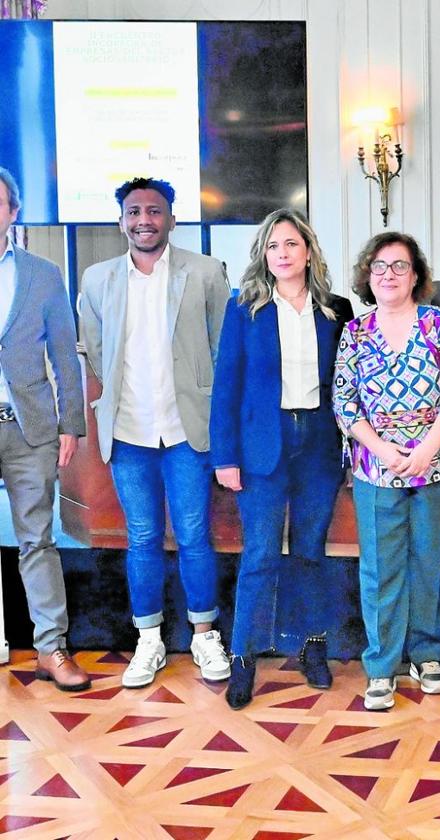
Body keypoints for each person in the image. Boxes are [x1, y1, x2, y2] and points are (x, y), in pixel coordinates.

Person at [78, 177, 231, 689]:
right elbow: (96, 352)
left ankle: (205, 634)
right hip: (128, 433)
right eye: (134, 211)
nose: (144, 219)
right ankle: (150, 639)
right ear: (122, 219)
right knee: (141, 537)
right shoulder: (98, 279)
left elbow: (219, 348)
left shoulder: (206, 272)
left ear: (171, 217)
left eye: (154, 211)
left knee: (193, 536)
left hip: (187, 431)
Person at [209, 209, 354, 709]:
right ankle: (243, 657)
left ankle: (314, 647)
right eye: (273, 246)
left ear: (308, 250)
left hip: (317, 445)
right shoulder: (244, 308)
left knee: (310, 552)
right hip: (260, 450)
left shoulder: (336, 309)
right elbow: (225, 385)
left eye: (291, 244)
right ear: (263, 256)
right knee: (261, 554)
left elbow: (349, 385)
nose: (283, 254)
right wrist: (224, 456)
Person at [333, 232, 440, 711]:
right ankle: (381, 667)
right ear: (367, 276)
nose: (388, 275)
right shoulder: (356, 332)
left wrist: (428, 447)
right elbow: (344, 401)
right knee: (380, 570)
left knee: (428, 562)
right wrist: (382, 449)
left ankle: (427, 655)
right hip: (376, 466)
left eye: (399, 266)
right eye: (379, 267)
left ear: (416, 275)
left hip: (435, 463)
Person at [0, 167, 89, 690]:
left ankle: (51, 649)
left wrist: (70, 425)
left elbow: (64, 354)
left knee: (38, 540)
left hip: (29, 427)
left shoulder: (43, 274)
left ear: (13, 212)